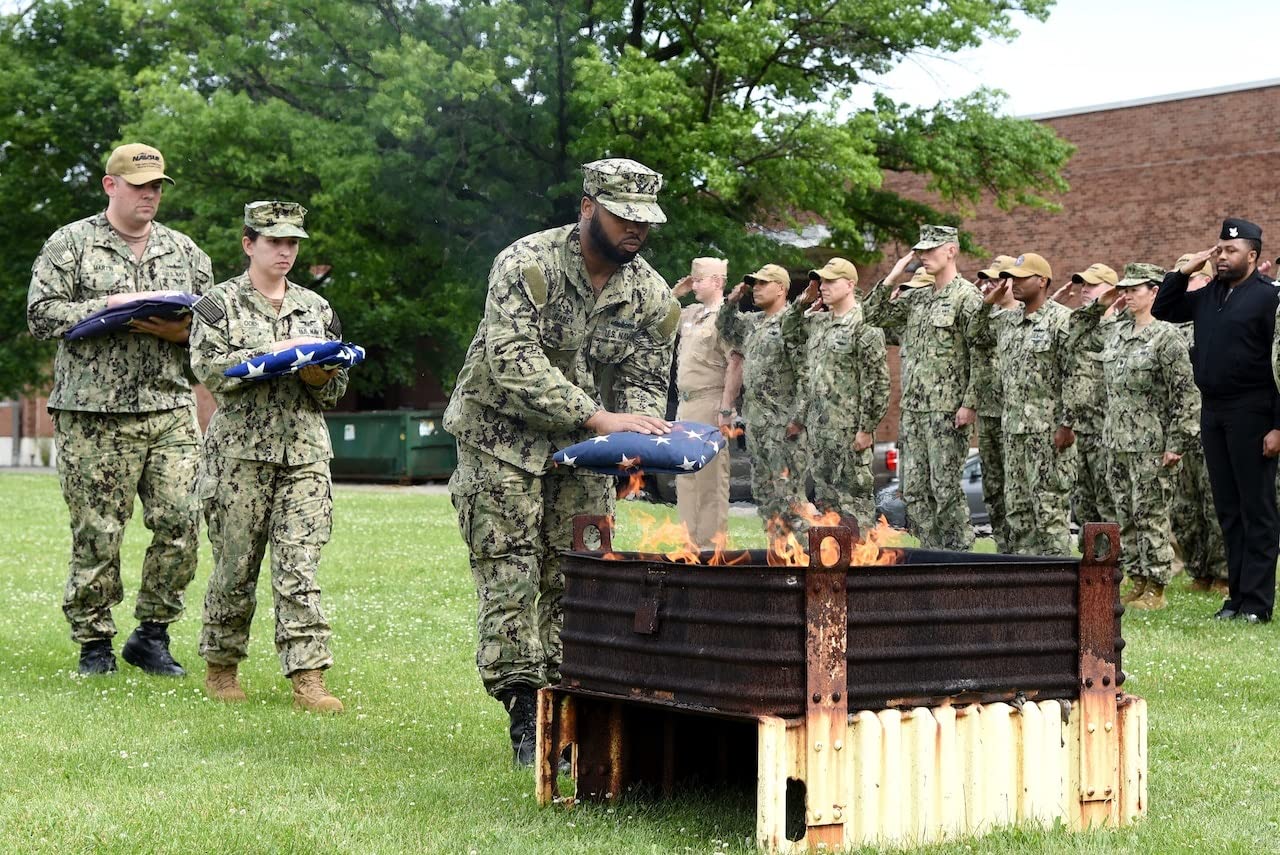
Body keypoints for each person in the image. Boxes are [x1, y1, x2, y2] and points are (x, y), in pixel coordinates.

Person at [443, 159, 679, 764]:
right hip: (501, 438)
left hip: (583, 456)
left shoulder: (652, 297)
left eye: (643, 221)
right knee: (510, 572)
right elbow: (512, 359)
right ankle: (526, 710)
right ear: (587, 207)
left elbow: (645, 384)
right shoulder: (527, 264)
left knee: (579, 575)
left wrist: (639, 439)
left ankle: (568, 706)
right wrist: (599, 417)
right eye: (623, 216)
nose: (635, 230)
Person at [27, 143, 210, 676]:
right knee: (98, 531)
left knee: (181, 521)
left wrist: (183, 331)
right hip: (93, 415)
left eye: (156, 186)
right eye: (139, 186)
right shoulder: (71, 244)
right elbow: (40, 316)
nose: (149, 195)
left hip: (170, 409)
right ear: (111, 186)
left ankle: (151, 635)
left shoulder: (184, 251)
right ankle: (94, 644)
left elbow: (218, 323)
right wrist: (107, 306)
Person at [189, 201, 347, 713]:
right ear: (248, 243)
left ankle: (309, 677)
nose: (285, 251)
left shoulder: (316, 308)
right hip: (239, 458)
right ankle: (222, 664)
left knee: (300, 566)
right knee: (235, 566)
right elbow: (213, 372)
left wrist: (320, 374)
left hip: (304, 455)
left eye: (293, 243)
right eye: (274, 241)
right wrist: (275, 360)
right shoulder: (217, 305)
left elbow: (334, 389)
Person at [1154, 218, 1280, 623]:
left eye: (1232, 251)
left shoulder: (1269, 299)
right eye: (1219, 250)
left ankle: (1258, 605)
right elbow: (1163, 308)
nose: (1223, 257)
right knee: (1228, 508)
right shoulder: (1210, 295)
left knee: (1256, 508)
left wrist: (1277, 425)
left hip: (1253, 410)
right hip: (1215, 410)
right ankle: (1237, 599)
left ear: (1253, 256)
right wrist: (1185, 270)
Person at [1076, 264, 1199, 610]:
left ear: (1154, 291)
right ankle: (1137, 578)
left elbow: (1186, 394)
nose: (1127, 294)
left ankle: (1157, 585)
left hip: (1151, 445)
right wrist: (1101, 304)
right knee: (1125, 514)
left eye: (1135, 288)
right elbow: (1077, 331)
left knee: (1150, 515)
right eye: (1124, 288)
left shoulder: (1166, 337)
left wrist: (1176, 443)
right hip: (1116, 442)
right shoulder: (1116, 332)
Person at [864, 225, 983, 551]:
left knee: (944, 490)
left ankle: (959, 560)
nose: (924, 256)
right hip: (913, 411)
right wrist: (894, 275)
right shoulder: (916, 298)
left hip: (947, 411)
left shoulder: (967, 298)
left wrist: (969, 403)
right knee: (914, 491)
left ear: (951, 251)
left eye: (932, 249)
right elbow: (871, 315)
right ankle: (932, 555)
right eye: (921, 250)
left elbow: (982, 354)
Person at [978, 253, 1078, 555]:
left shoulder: (1062, 320)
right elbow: (975, 334)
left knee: (1048, 510)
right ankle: (1028, 583)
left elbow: (1075, 375)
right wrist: (987, 304)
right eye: (1011, 277)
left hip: (1047, 434)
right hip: (1014, 432)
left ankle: (1057, 583)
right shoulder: (1006, 320)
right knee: (1018, 512)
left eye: (1021, 277)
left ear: (1043, 281)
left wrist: (1067, 423)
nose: (1013, 283)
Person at [787, 258, 889, 529]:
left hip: (849, 434)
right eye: (822, 281)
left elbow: (877, 383)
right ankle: (835, 564)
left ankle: (862, 565)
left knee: (854, 508)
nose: (823, 286)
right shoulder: (819, 323)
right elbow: (787, 333)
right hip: (820, 434)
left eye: (831, 281)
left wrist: (866, 429)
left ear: (850, 284)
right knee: (826, 506)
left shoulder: (864, 325)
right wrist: (802, 303)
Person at [718, 264, 809, 540]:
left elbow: (807, 373)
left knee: (789, 498)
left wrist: (799, 418)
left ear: (781, 288)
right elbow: (725, 328)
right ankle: (779, 558)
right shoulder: (753, 323)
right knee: (766, 497)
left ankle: (806, 557)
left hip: (784, 428)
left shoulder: (791, 323)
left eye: (762, 283)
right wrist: (732, 301)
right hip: (758, 426)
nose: (756, 288)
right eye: (753, 284)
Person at [670, 257, 743, 549]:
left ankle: (711, 547)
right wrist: (677, 293)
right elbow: (658, 316)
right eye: (694, 279)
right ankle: (689, 545)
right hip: (685, 405)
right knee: (685, 477)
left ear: (718, 282)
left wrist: (726, 407)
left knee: (710, 479)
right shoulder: (690, 315)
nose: (695, 283)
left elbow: (735, 364)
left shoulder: (725, 318)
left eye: (700, 279)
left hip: (710, 402)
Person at [1168, 253, 1228, 594]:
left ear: (1205, 280)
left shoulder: (1211, 317)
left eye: (1190, 277)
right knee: (1185, 505)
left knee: (1215, 500)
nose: (1185, 283)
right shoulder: (1172, 323)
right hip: (1182, 427)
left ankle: (1224, 573)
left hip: (1211, 419)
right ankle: (1199, 569)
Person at [1065, 262, 1120, 545]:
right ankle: (1094, 565)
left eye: (1092, 284)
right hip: (1080, 432)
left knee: (1110, 503)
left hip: (1109, 433)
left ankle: (1114, 565)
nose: (1084, 289)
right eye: (1083, 284)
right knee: (1085, 505)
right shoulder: (1081, 327)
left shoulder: (1122, 329)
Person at [972, 255, 1017, 550]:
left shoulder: (1024, 315)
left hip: (1017, 417)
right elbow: (972, 334)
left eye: (996, 280)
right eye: (987, 281)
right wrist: (987, 302)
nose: (990, 285)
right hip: (989, 413)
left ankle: (1026, 550)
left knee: (1017, 489)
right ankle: (1004, 548)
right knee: (993, 489)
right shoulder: (991, 317)